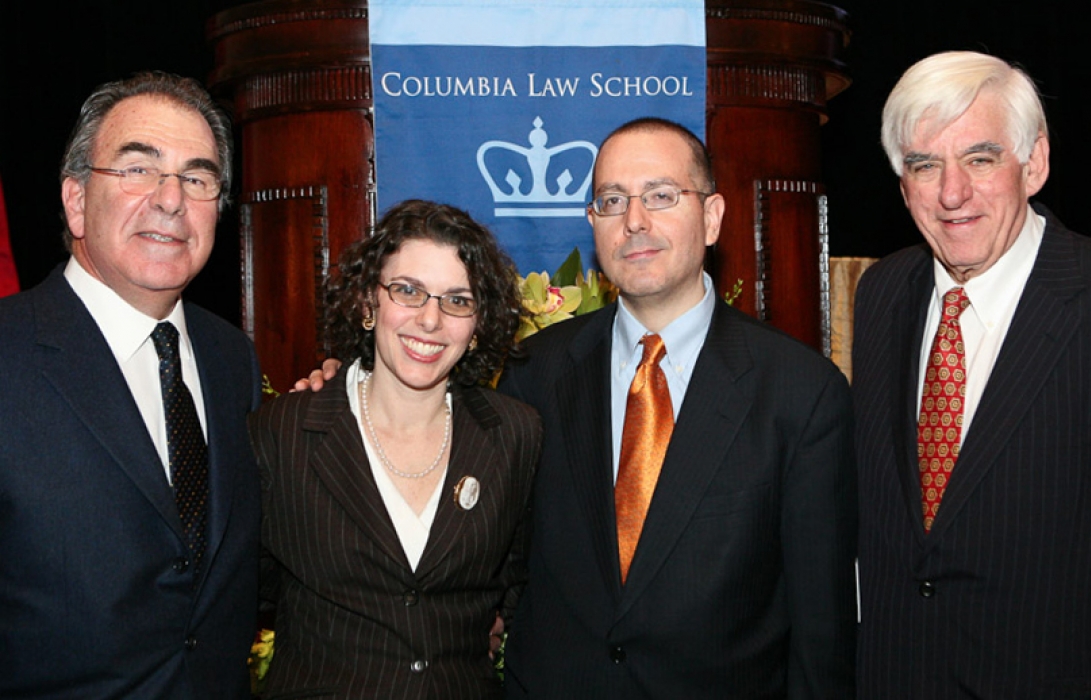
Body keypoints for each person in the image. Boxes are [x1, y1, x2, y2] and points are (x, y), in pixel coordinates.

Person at [852, 50, 1091, 698]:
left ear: (1035, 164)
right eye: (924, 164)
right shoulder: (881, 294)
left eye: (980, 158)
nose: (951, 192)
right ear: (901, 181)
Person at [497, 118, 856, 697]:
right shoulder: (532, 374)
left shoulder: (800, 392)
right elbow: (506, 568)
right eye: (612, 201)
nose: (634, 220)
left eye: (662, 196)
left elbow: (822, 626)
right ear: (594, 224)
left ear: (712, 217)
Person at [0, 72, 262, 698]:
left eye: (197, 178)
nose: (171, 199)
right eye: (138, 169)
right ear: (75, 200)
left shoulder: (233, 359)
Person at [251, 199, 542, 698]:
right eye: (408, 291)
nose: (430, 320)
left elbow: (520, 585)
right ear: (368, 302)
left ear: (476, 326)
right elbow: (247, 595)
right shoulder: (283, 433)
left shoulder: (513, 433)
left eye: (457, 300)